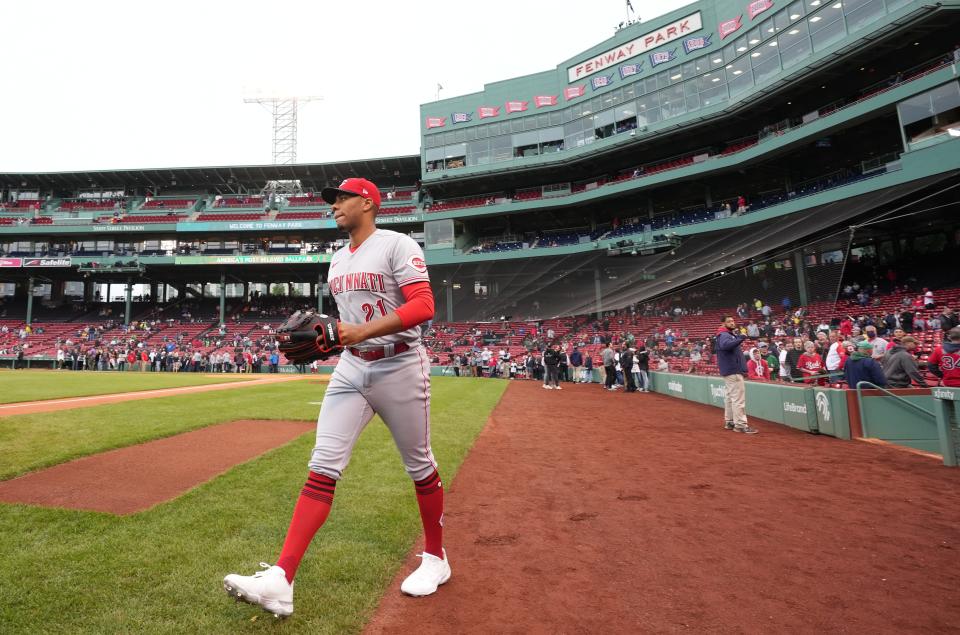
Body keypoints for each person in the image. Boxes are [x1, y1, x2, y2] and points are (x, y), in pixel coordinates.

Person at [223, 178, 448, 617]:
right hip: (352, 367)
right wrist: (332, 341)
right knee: (323, 465)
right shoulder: (337, 260)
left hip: (400, 363)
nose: (334, 206)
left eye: (342, 198)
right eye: (332, 200)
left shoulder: (397, 244)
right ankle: (281, 579)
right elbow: (345, 326)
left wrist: (357, 332)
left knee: (419, 464)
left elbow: (423, 306)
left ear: (368, 202)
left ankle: (436, 558)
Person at [716, 316, 758, 434]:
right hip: (733, 371)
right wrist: (740, 338)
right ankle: (740, 424)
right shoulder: (724, 335)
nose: (732, 323)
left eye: (733, 321)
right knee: (738, 399)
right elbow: (726, 345)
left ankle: (730, 421)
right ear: (723, 323)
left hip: (729, 370)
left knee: (730, 398)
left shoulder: (724, 334)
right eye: (729, 321)